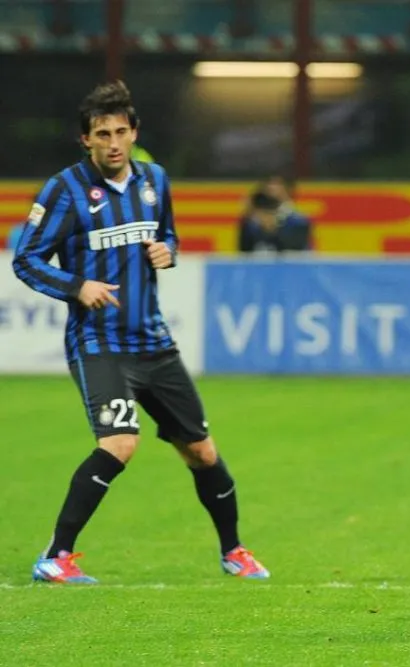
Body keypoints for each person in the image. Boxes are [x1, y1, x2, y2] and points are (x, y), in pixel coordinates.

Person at [12, 80, 269, 583]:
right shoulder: (64, 190)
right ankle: (55, 557)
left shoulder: (154, 181)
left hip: (153, 341)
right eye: (101, 133)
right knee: (120, 443)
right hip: (98, 343)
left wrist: (167, 250)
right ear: (85, 139)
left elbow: (166, 232)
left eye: (120, 131)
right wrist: (76, 284)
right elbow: (26, 260)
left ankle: (233, 551)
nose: (112, 142)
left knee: (201, 451)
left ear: (134, 133)